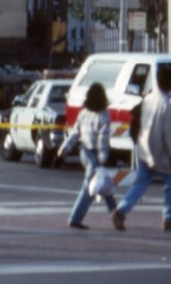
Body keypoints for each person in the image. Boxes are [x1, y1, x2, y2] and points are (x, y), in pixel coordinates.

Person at [113, 65, 171, 232]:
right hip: (160, 152)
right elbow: (170, 135)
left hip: (144, 148)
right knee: (170, 185)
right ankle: (170, 217)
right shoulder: (166, 105)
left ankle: (121, 210)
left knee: (139, 184)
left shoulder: (148, 98)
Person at [58, 81, 117, 229]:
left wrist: (64, 148)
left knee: (103, 185)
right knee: (91, 187)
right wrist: (103, 160)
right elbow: (102, 140)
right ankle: (75, 218)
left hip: (84, 151)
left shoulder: (83, 113)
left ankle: (116, 214)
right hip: (95, 154)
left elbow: (75, 133)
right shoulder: (104, 115)